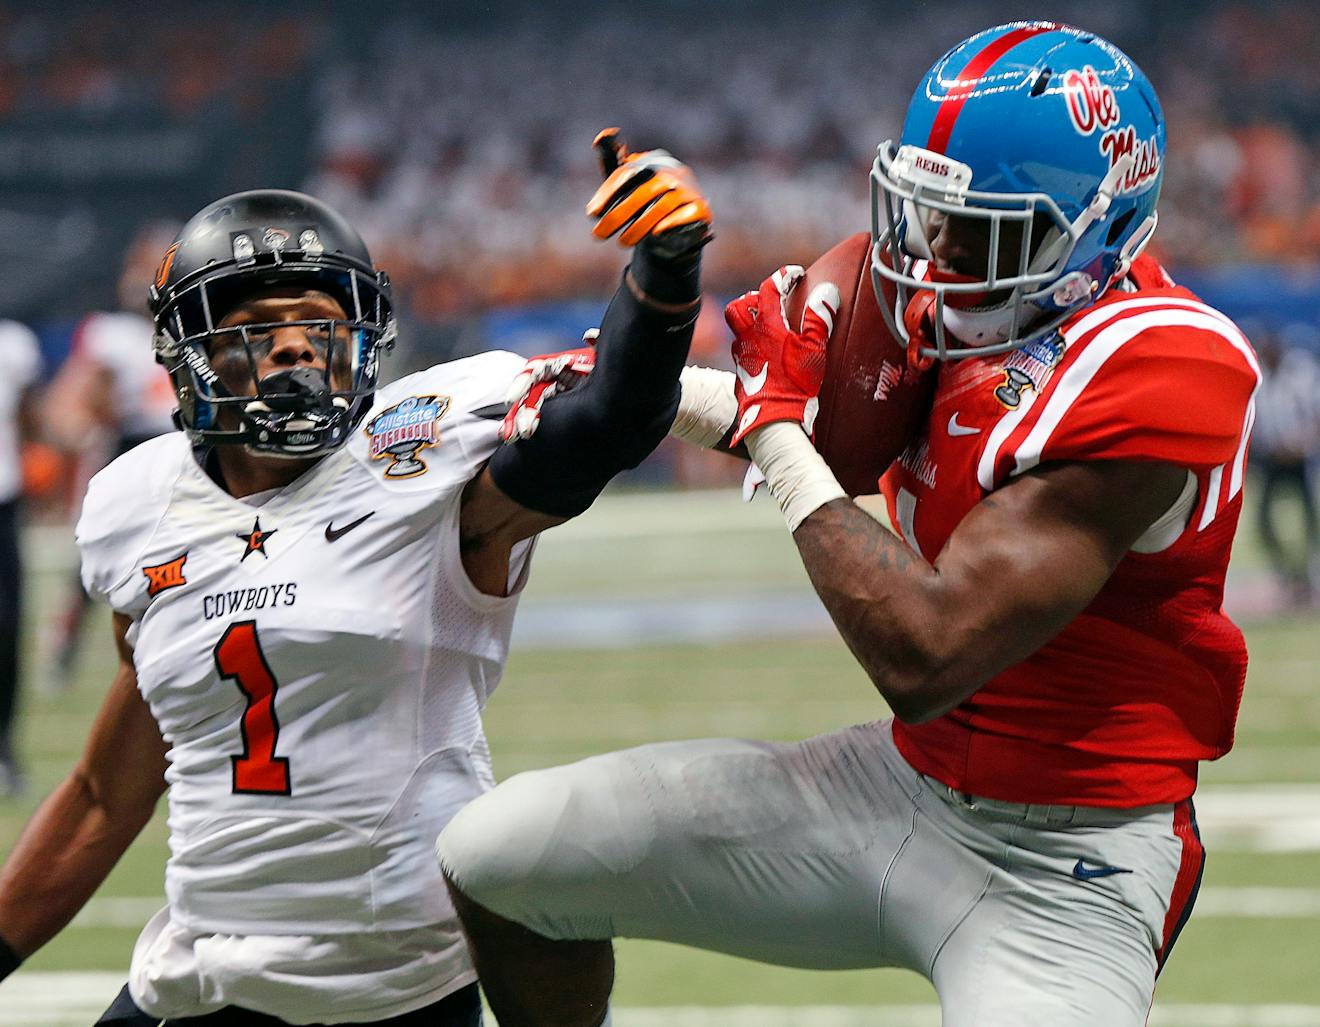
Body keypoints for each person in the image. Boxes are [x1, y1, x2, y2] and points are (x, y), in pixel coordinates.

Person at [437, 23, 1261, 1027]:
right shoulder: (966, 291)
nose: (941, 253)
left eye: (984, 229)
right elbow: (828, 426)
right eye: (938, 213)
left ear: (1097, 226)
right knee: (500, 857)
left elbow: (927, 653)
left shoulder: (1162, 366)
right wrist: (650, 392)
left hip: (1068, 859)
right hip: (904, 787)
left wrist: (776, 428)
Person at [0, 129, 713, 1026]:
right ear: (189, 355)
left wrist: (664, 274)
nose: (297, 347)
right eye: (259, 328)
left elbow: (607, 421)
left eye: (320, 324)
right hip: (193, 979)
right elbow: (108, 790)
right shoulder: (138, 506)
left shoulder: (422, 467)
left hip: (392, 990)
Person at [43, 229, 179, 690]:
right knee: (93, 558)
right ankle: (63, 646)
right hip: (129, 449)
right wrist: (83, 426)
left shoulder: (194, 332)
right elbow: (73, 399)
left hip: (182, 450)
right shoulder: (115, 336)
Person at [1251, 326, 1320, 607]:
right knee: (1264, 522)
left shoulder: (1304, 372)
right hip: (1272, 459)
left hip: (1305, 458)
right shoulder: (1256, 376)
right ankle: (1289, 575)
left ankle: (1316, 576)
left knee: (1312, 518)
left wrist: (1305, 443)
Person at [0, 319, 44, 797]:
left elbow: (32, 419)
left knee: (7, 629)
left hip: (3, 502)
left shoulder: (13, 341)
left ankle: (3, 746)